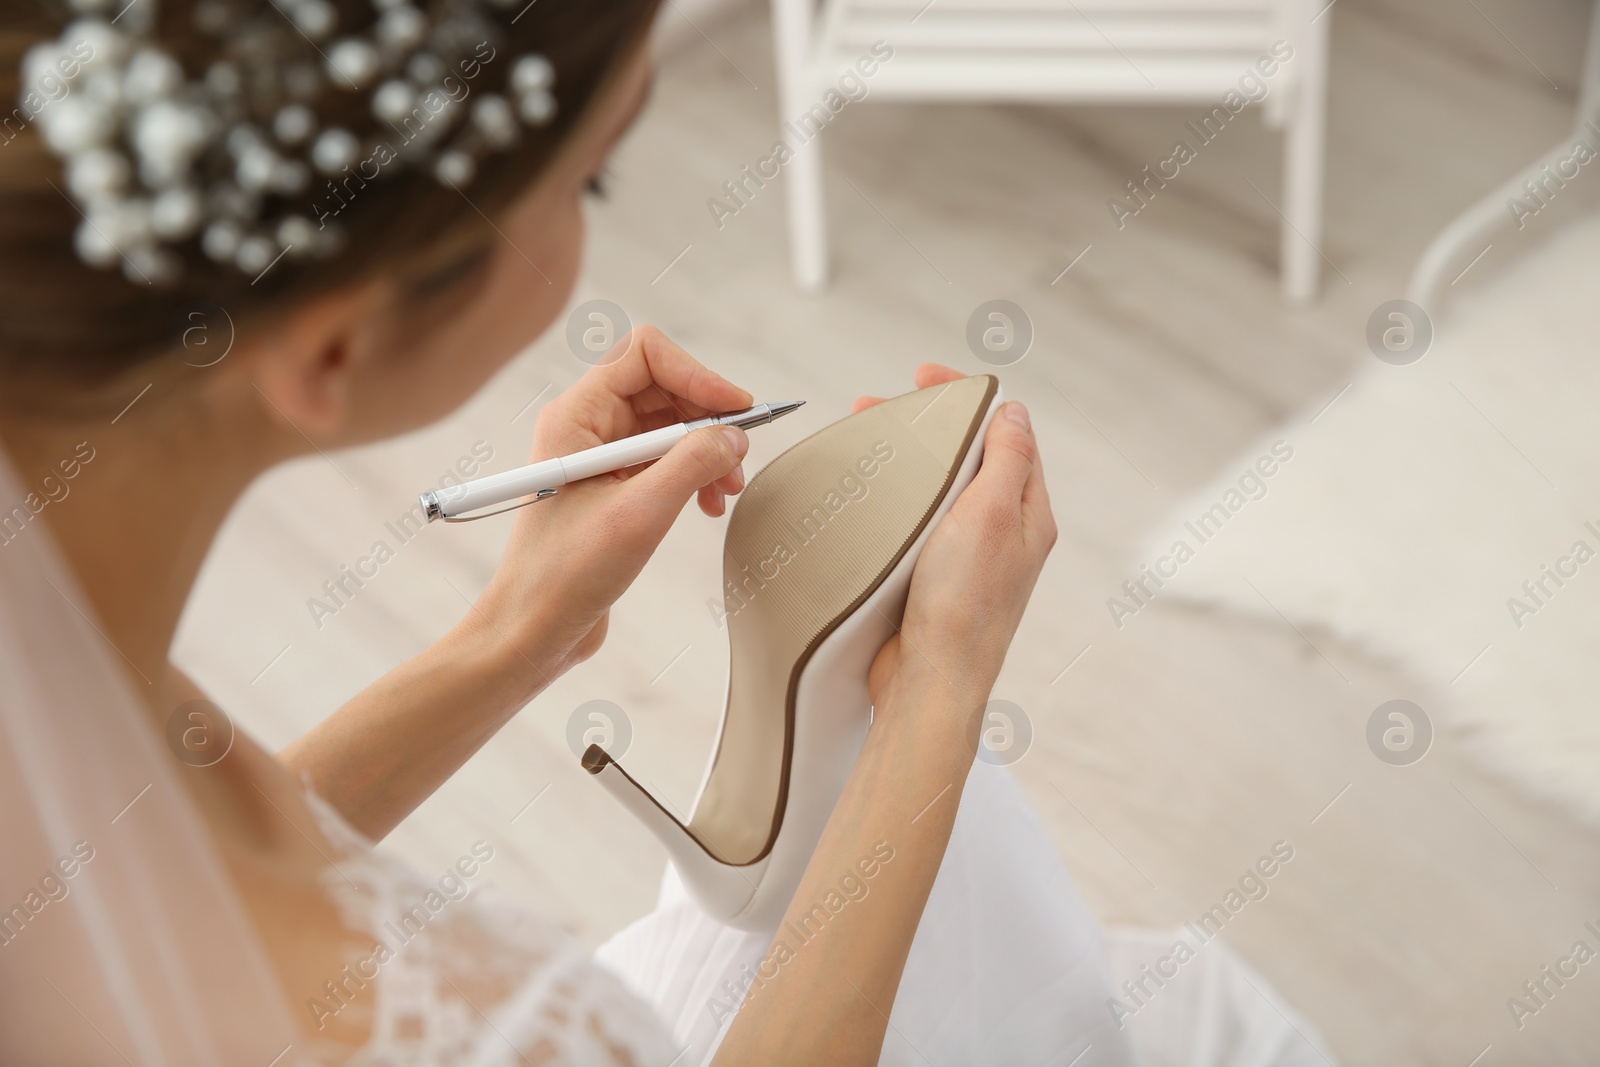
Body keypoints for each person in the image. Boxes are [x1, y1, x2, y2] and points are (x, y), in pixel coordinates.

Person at [0, 2, 1334, 1064]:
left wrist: (516, 632)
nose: (591, 222)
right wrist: (940, 690)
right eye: (595, 179)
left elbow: (143, 879)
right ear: (336, 346)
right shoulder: (506, 1036)